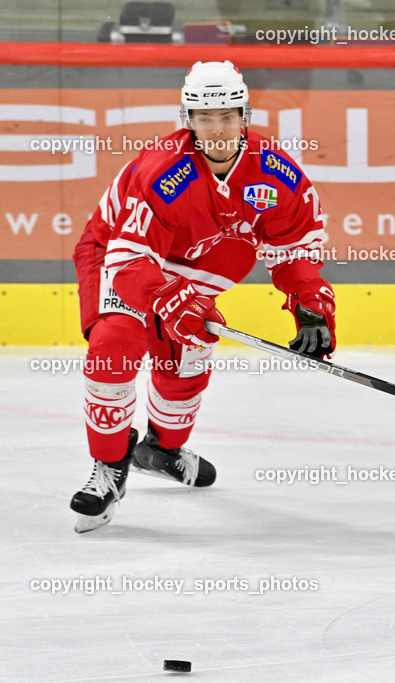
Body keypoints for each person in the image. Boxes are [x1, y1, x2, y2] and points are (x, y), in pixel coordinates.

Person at [70, 61, 336, 533]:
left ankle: (161, 450)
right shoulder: (163, 172)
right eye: (205, 118)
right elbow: (131, 259)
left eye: (228, 116)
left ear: (246, 115)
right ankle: (110, 466)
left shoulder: (276, 173)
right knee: (115, 346)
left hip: (201, 264)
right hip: (121, 255)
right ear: (187, 119)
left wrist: (309, 301)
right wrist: (167, 298)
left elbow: (293, 248)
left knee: (187, 356)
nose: (217, 128)